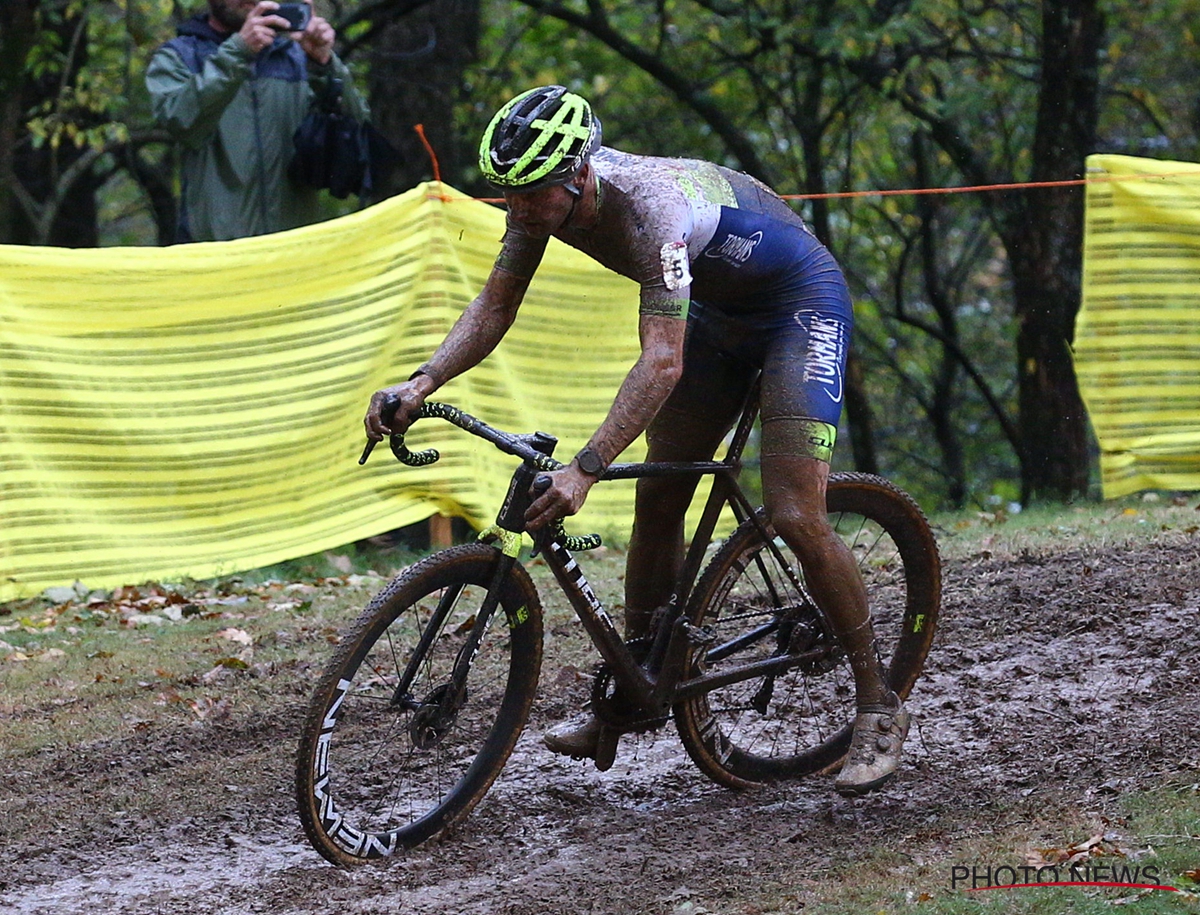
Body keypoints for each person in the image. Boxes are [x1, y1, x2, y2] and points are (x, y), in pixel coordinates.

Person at [364, 86, 909, 797]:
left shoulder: (651, 211)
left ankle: (878, 704)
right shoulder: (541, 198)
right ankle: (637, 688)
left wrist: (586, 467)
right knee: (659, 499)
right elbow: (496, 304)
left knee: (795, 513)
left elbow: (661, 361)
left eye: (530, 197)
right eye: (508, 196)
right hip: (719, 310)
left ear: (578, 176)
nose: (517, 212)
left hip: (798, 308)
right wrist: (421, 380)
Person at [146, 0, 369, 242]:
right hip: (216, 253)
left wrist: (324, 65)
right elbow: (180, 121)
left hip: (294, 250)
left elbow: (360, 129)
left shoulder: (298, 56)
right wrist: (238, 51)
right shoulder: (180, 56)